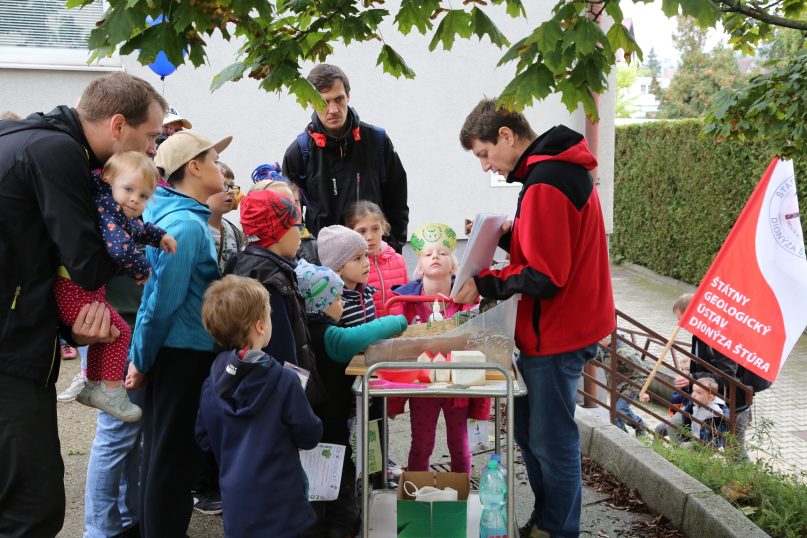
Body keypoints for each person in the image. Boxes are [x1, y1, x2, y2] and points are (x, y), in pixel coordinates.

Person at [0, 72, 166, 537]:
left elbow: (32, 258)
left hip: (18, 338)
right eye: (150, 136)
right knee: (32, 508)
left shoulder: (29, 137)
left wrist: (70, 326)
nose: (152, 149)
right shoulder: (57, 153)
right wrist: (139, 258)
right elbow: (87, 263)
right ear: (118, 125)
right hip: (10, 353)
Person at [455, 98, 615, 538]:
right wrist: (503, 236)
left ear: (507, 136)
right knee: (530, 434)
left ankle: (558, 529)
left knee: (551, 440)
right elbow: (549, 247)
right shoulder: (552, 172)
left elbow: (546, 275)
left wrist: (486, 283)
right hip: (556, 329)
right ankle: (547, 521)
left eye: (485, 153)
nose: (486, 166)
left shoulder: (546, 182)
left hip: (558, 333)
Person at [126, 128, 231, 537]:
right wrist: (141, 359)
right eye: (213, 160)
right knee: (172, 462)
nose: (220, 167)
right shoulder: (186, 226)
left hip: (176, 354)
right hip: (181, 356)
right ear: (194, 167)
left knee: (163, 457)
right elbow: (161, 303)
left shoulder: (178, 218)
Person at [196, 274, 323, 538]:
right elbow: (309, 434)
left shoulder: (211, 385)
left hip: (237, 504)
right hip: (283, 503)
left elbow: (203, 438)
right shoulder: (284, 380)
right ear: (260, 326)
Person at [54, 151, 176, 421]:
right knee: (119, 333)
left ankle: (92, 385)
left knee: (108, 333)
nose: (135, 199)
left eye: (143, 196)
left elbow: (139, 228)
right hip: (74, 289)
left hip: (81, 287)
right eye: (129, 189)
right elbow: (120, 247)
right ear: (108, 179)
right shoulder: (106, 210)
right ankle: (109, 390)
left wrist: (160, 236)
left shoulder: (117, 208)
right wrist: (142, 269)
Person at [295, 260, 407, 537]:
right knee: (336, 486)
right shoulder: (328, 335)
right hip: (329, 428)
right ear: (320, 304)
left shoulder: (302, 330)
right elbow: (360, 335)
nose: (342, 303)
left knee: (315, 487)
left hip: (312, 422)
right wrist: (398, 321)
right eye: (336, 298)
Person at [388, 223, 488, 475]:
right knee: (421, 444)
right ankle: (416, 490)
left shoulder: (466, 299)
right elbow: (398, 345)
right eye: (428, 253)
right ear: (419, 266)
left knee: (459, 444)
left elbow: (476, 337)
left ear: (453, 266)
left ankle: (461, 490)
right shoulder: (406, 302)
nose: (435, 256)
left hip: (457, 383)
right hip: (422, 385)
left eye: (443, 253)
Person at [281, 64, 409, 251]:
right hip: (324, 260)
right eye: (324, 102)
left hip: (373, 255)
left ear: (348, 96)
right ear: (310, 102)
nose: (333, 109)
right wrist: (306, 254)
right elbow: (289, 215)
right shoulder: (300, 151)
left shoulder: (377, 141)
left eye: (339, 99)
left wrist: (393, 247)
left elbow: (397, 201)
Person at [226, 189, 327, 406]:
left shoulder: (243, 264)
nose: (301, 233)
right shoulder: (271, 281)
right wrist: (298, 402)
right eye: (296, 226)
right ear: (278, 232)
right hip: (278, 396)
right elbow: (283, 351)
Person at [666, 293, 755, 457]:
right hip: (705, 401)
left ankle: (744, 478)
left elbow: (727, 375)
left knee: (734, 452)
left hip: (731, 405)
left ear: (693, 314)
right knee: (674, 425)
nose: (681, 324)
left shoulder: (719, 335)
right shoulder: (700, 334)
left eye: (682, 319)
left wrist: (692, 379)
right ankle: (688, 461)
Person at [345, 200, 408, 317]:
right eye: (362, 231)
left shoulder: (398, 260)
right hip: (369, 328)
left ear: (383, 228)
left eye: (375, 229)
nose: (369, 237)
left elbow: (407, 300)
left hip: (398, 327)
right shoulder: (350, 265)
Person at [318, 225, 377, 327]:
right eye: (357, 258)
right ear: (337, 267)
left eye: (366, 255)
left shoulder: (367, 293)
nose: (367, 263)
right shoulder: (335, 304)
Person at [596, 335, 650, 436]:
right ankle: (623, 437)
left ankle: (640, 425)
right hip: (616, 385)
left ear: (608, 339)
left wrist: (644, 391)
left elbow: (642, 373)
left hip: (632, 384)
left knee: (620, 409)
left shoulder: (625, 352)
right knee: (614, 414)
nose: (597, 342)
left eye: (599, 340)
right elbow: (597, 359)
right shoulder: (604, 348)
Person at [209, 162, 244, 274]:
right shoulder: (192, 227)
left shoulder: (233, 231)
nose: (231, 191)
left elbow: (251, 239)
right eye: (223, 185)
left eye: (232, 186)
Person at [681, 376, 729, 448]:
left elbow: (724, 426)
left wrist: (710, 440)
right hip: (694, 437)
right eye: (693, 390)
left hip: (707, 444)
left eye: (699, 393)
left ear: (710, 397)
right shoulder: (697, 403)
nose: (693, 395)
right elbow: (686, 417)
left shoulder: (717, 409)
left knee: (682, 446)